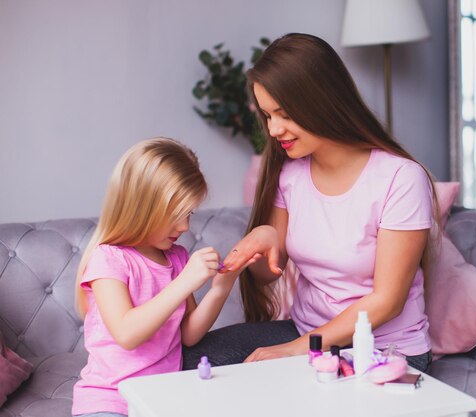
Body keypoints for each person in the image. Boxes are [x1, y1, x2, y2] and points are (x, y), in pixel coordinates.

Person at [183, 33, 439, 373]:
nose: (273, 130)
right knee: (186, 361)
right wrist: (263, 239)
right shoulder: (291, 176)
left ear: (322, 101)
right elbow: (265, 276)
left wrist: (294, 351)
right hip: (305, 334)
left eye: (283, 114)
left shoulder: (401, 178)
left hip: (383, 349)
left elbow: (387, 302)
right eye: (267, 116)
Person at [72, 138, 257, 417]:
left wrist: (221, 287)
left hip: (163, 396)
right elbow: (126, 334)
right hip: (111, 401)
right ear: (141, 207)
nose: (184, 226)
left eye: (189, 214)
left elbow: (189, 335)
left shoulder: (177, 257)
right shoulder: (109, 259)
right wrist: (185, 282)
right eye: (175, 215)